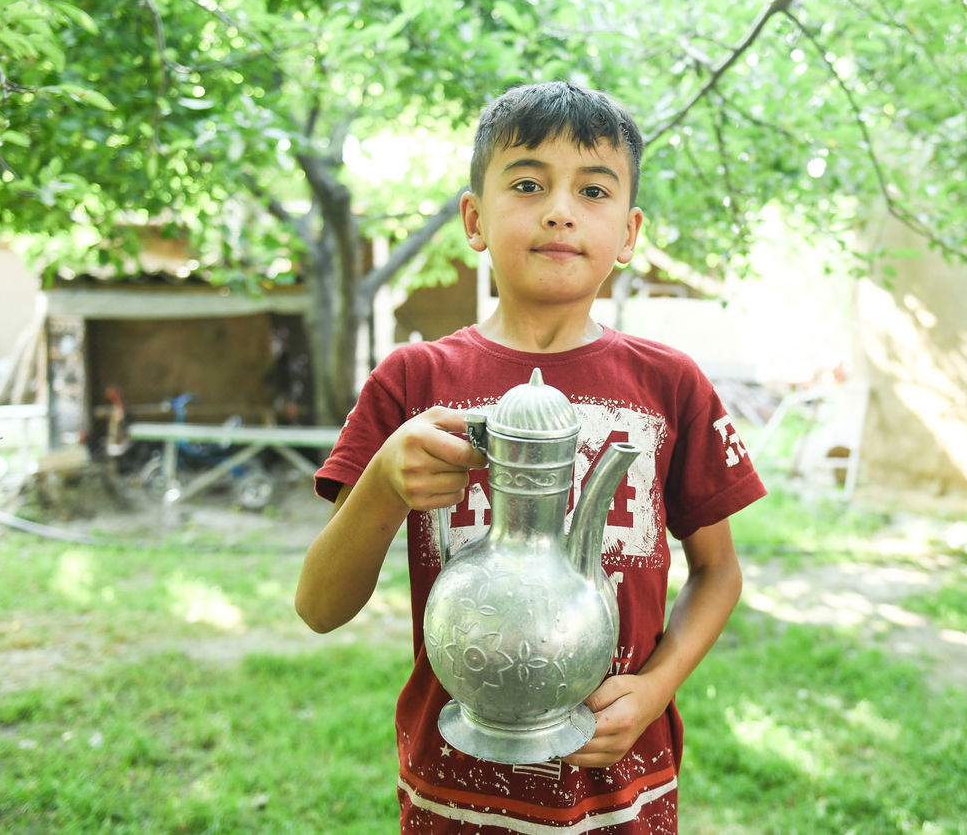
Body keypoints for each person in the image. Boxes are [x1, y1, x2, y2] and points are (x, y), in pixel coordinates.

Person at [295, 81, 766, 833]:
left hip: (621, 794)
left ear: (630, 230)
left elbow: (719, 570)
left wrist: (656, 687)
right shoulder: (413, 383)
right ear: (474, 219)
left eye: (593, 189)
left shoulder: (669, 385)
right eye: (527, 183)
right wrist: (384, 480)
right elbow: (319, 607)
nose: (559, 209)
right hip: (454, 793)